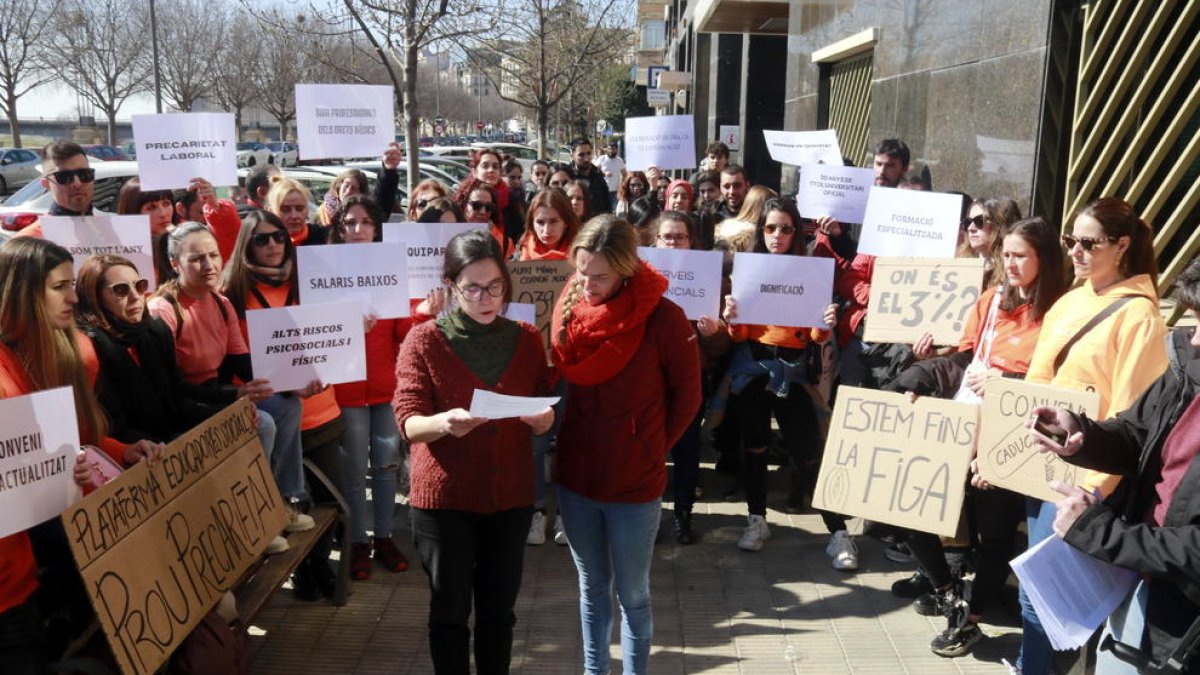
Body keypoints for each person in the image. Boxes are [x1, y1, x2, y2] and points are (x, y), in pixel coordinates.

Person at [885, 217, 1071, 658]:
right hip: (963, 426)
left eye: (1020, 255)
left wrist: (1009, 384)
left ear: (1044, 258)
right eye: (1005, 254)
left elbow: (1060, 383)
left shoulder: (1059, 312)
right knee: (905, 509)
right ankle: (950, 594)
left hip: (1014, 438)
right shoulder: (990, 300)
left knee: (995, 535)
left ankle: (970, 619)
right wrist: (921, 375)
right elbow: (965, 358)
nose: (1010, 263)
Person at [1017, 197, 1168, 675]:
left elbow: (1131, 415)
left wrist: (1094, 491)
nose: (1075, 252)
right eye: (1070, 242)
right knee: (1039, 597)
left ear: (1122, 246)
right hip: (1040, 462)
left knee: (1046, 603)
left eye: (1088, 243)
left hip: (1083, 482)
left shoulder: (1140, 316)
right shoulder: (1071, 298)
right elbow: (1036, 382)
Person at [1028, 257, 1200, 675]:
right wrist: (1082, 435)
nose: (1194, 339)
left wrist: (1098, 532)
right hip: (1140, 584)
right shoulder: (1186, 370)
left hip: (1185, 618)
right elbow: (1137, 433)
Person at [393, 229, 553, 674]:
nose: (486, 298)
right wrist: (443, 423)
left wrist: (544, 419)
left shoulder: (524, 337)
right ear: (450, 286)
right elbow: (408, 420)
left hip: (511, 497)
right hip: (445, 500)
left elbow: (542, 395)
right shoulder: (424, 340)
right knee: (449, 612)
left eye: (495, 286)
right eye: (473, 288)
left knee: (498, 613)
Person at [551, 215, 701, 675]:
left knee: (633, 594)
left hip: (635, 482)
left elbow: (688, 396)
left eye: (600, 276)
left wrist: (653, 448)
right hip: (577, 476)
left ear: (626, 269)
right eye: (581, 272)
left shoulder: (664, 318)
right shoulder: (568, 311)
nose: (588, 284)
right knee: (591, 588)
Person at [147, 221, 309, 554]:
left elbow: (241, 362)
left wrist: (290, 382)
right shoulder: (163, 310)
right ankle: (253, 516)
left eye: (213, 255)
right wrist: (233, 395)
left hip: (215, 395)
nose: (208, 266)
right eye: (197, 259)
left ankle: (283, 498)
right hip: (183, 406)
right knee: (260, 422)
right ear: (175, 264)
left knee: (287, 406)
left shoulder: (221, 304)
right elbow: (169, 387)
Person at [0, 237, 114, 674]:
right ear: (23, 292)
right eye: (59, 287)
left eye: (72, 284)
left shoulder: (73, 351)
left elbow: (82, 440)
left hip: (24, 565)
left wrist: (112, 453)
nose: (73, 297)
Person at [721, 198, 843, 558]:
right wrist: (732, 317)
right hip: (755, 368)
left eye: (786, 228)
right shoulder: (749, 270)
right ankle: (756, 519)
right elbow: (740, 336)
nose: (777, 235)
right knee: (755, 447)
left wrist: (824, 325)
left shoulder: (809, 272)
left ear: (797, 232)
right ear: (761, 231)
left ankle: (837, 531)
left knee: (806, 451)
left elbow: (815, 337)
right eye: (770, 228)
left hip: (794, 369)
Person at [328, 195, 428, 579]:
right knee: (354, 471)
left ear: (376, 228)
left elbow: (405, 332)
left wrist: (422, 312)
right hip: (347, 388)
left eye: (365, 222)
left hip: (386, 386)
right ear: (339, 230)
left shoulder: (392, 271)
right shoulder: (324, 270)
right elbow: (316, 329)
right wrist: (345, 322)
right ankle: (357, 542)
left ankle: (384, 536)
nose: (357, 230)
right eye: (350, 223)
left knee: (385, 468)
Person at [75, 254, 224, 445]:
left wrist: (231, 405)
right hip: (137, 449)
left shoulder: (155, 330)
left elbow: (175, 394)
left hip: (172, 432)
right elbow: (112, 425)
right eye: (121, 290)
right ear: (95, 298)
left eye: (139, 286)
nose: (135, 296)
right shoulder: (90, 347)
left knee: (261, 421)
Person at [653, 211, 730, 543]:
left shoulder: (706, 279)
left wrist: (712, 333)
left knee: (686, 449)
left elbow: (722, 347)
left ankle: (683, 515)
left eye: (679, 237)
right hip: (649, 381)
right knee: (653, 451)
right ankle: (650, 515)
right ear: (655, 241)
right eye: (666, 237)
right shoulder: (639, 277)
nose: (673, 242)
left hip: (689, 378)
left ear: (691, 240)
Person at [16, 140, 98, 238]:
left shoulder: (111, 231)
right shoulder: (29, 241)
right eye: (64, 177)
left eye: (84, 174)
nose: (77, 183)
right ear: (46, 184)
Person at [955, 197, 1021, 290]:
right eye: (968, 222)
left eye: (979, 221)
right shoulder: (959, 264)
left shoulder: (1013, 269)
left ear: (998, 225)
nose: (971, 228)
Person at [518, 188, 581, 261]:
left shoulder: (583, 251)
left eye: (553, 221)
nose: (547, 230)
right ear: (532, 222)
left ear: (566, 222)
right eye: (540, 222)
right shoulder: (522, 249)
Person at [458, 182, 514, 258]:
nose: (483, 212)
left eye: (488, 207)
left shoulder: (505, 243)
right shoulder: (447, 234)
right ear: (464, 204)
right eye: (477, 205)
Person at [567, 138, 611, 215]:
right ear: (572, 155)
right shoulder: (567, 176)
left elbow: (607, 205)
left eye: (588, 153)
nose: (586, 159)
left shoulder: (598, 176)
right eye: (581, 155)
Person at [593, 141, 626, 209]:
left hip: (615, 190)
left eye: (613, 149)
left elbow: (624, 174)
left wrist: (623, 184)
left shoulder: (620, 160)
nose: (611, 150)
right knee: (603, 208)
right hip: (603, 189)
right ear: (607, 149)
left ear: (616, 149)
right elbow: (595, 170)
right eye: (609, 148)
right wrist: (605, 173)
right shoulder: (602, 159)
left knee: (614, 209)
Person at [501, 159, 527, 243]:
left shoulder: (521, 197)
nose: (517, 181)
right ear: (501, 176)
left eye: (519, 177)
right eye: (512, 177)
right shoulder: (495, 199)